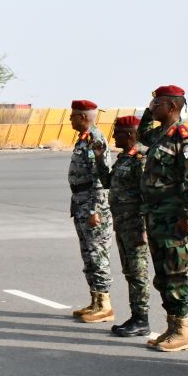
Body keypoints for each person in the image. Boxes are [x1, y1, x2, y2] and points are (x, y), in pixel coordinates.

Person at [137, 85, 188, 352]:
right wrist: (148, 110)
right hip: (155, 215)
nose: (153, 109)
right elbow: (141, 134)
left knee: (175, 273)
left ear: (173, 107)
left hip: (172, 216)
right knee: (163, 274)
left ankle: (182, 330)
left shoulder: (182, 138)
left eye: (158, 105)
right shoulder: (160, 134)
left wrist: (186, 214)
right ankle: (172, 325)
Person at [96, 115, 151, 337]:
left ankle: (142, 318)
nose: (113, 137)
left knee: (139, 272)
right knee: (130, 271)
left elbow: (148, 194)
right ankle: (136, 315)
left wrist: (145, 228)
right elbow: (108, 182)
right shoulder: (125, 158)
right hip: (123, 224)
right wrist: (100, 160)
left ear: (129, 134)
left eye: (117, 132)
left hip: (136, 226)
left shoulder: (141, 159)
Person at [66, 100, 114, 323]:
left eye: (74, 115)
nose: (70, 119)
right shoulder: (83, 138)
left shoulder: (96, 139)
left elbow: (100, 178)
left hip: (93, 205)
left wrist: (95, 209)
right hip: (81, 202)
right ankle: (95, 299)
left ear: (84, 117)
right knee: (88, 254)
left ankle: (105, 304)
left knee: (97, 254)